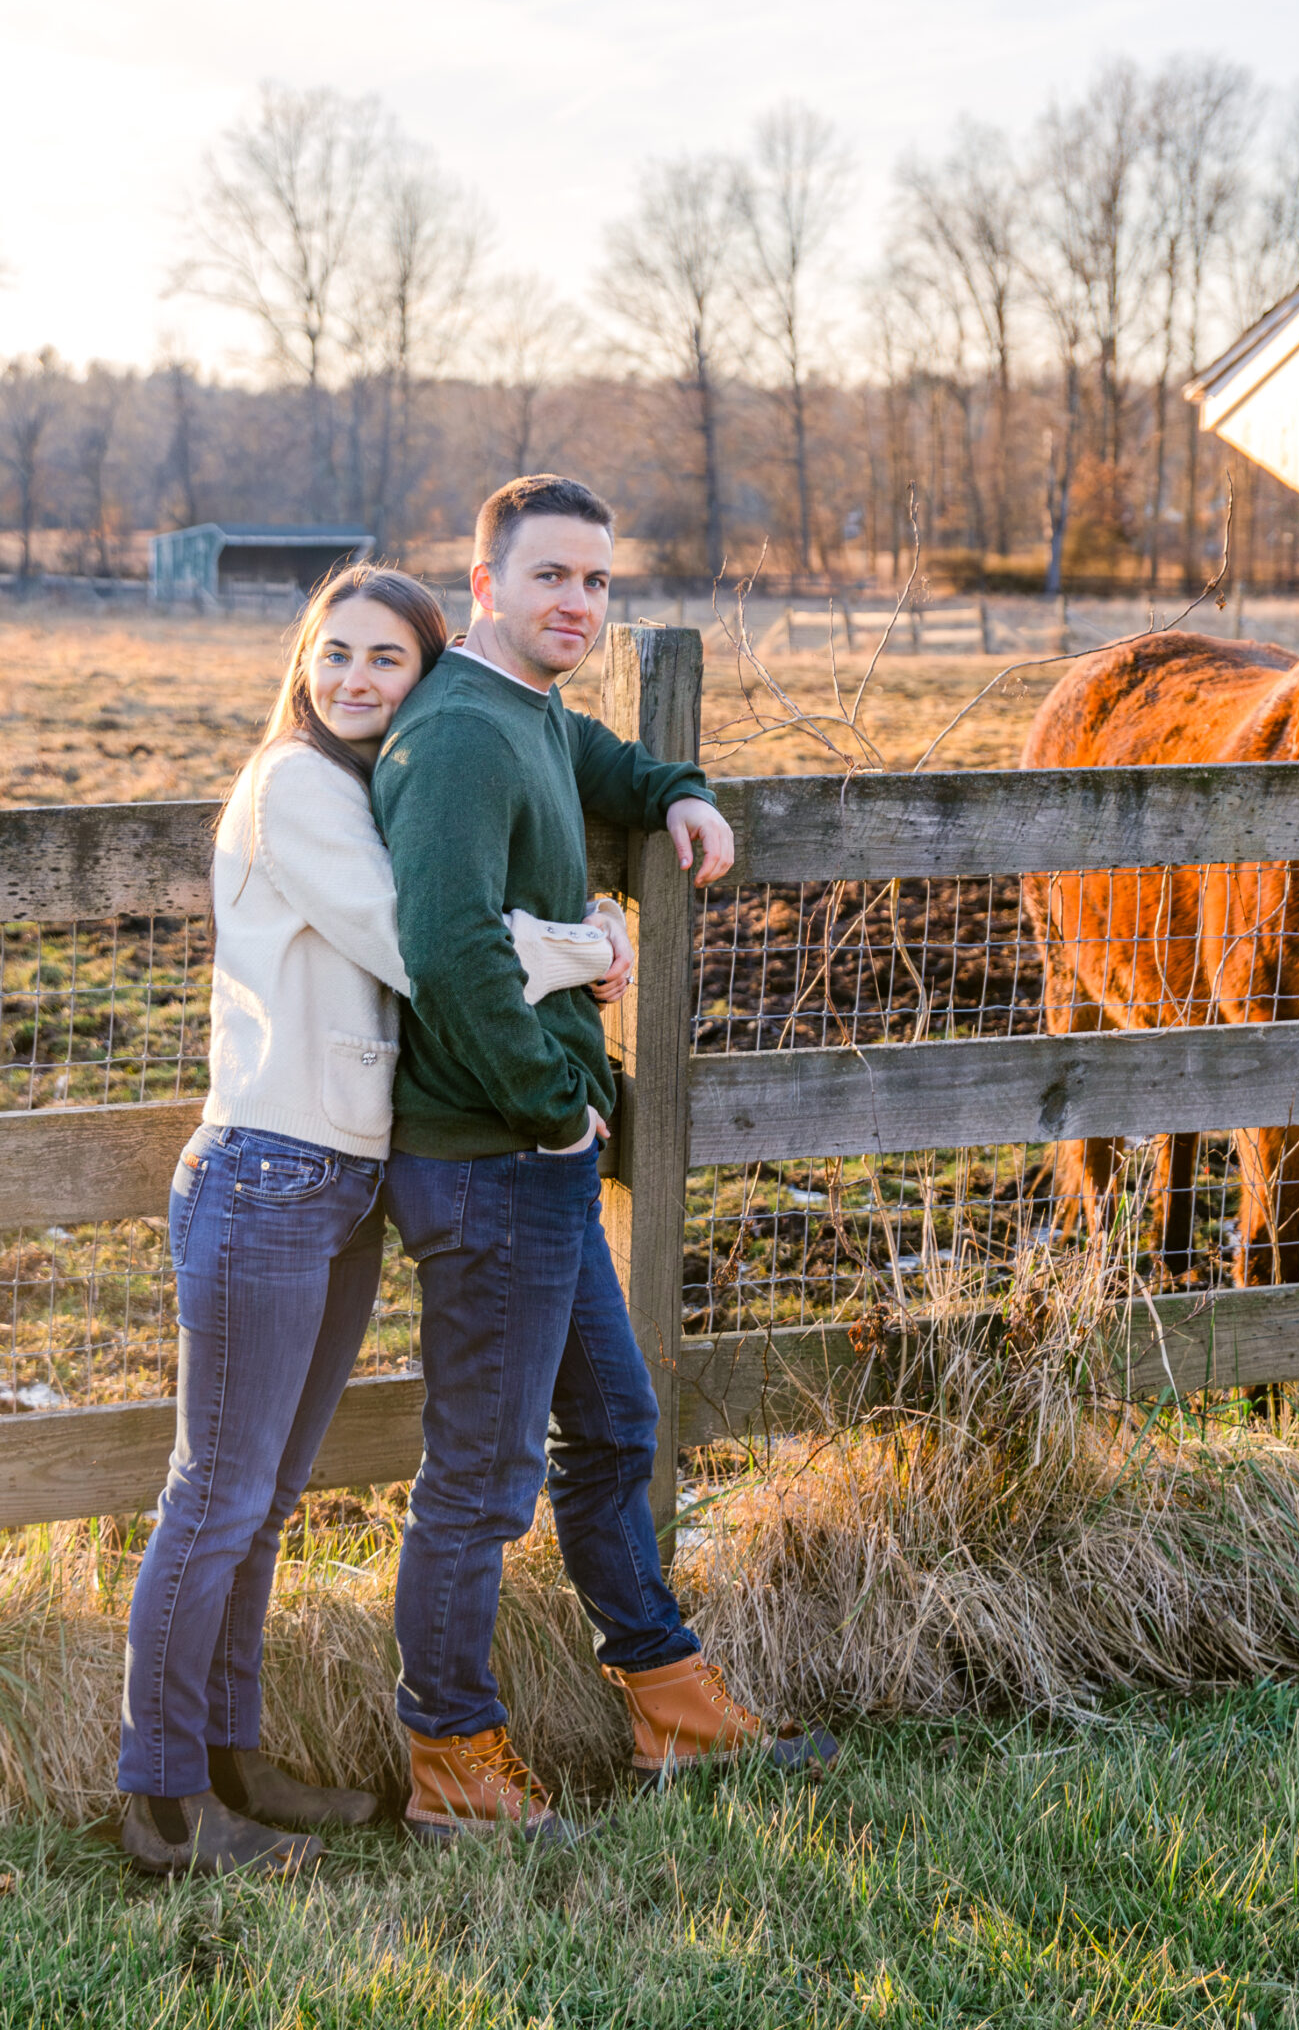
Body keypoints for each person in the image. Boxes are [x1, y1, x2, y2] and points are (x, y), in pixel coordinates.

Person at [117, 564, 601, 1878]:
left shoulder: (365, 786)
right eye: (335, 653)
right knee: (214, 1492)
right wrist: (583, 947)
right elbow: (420, 949)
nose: (353, 680)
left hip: (336, 1181)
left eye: (386, 660)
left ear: (425, 675)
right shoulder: (295, 785)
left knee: (263, 1500)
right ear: (303, 659)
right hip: (267, 1174)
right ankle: (162, 1799)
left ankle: (238, 1757)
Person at [374, 474, 836, 1846]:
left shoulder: (529, 713)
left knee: (617, 1429)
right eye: (551, 578)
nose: (577, 603)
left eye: (597, 582)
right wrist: (548, 1103)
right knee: (481, 1477)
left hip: (538, 1162)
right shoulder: (456, 731)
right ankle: (452, 1765)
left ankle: (672, 1710)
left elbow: (599, 772)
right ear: (484, 587)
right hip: (493, 1156)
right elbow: (446, 944)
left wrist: (680, 790)